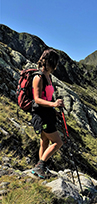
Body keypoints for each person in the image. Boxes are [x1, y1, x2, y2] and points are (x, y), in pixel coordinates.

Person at [30, 49, 64, 179]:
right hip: (41, 115)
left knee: (44, 141)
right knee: (58, 142)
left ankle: (41, 169)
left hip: (48, 113)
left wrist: (54, 109)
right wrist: (53, 104)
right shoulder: (38, 77)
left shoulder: (48, 77)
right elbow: (37, 99)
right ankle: (40, 166)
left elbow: (47, 97)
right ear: (51, 62)